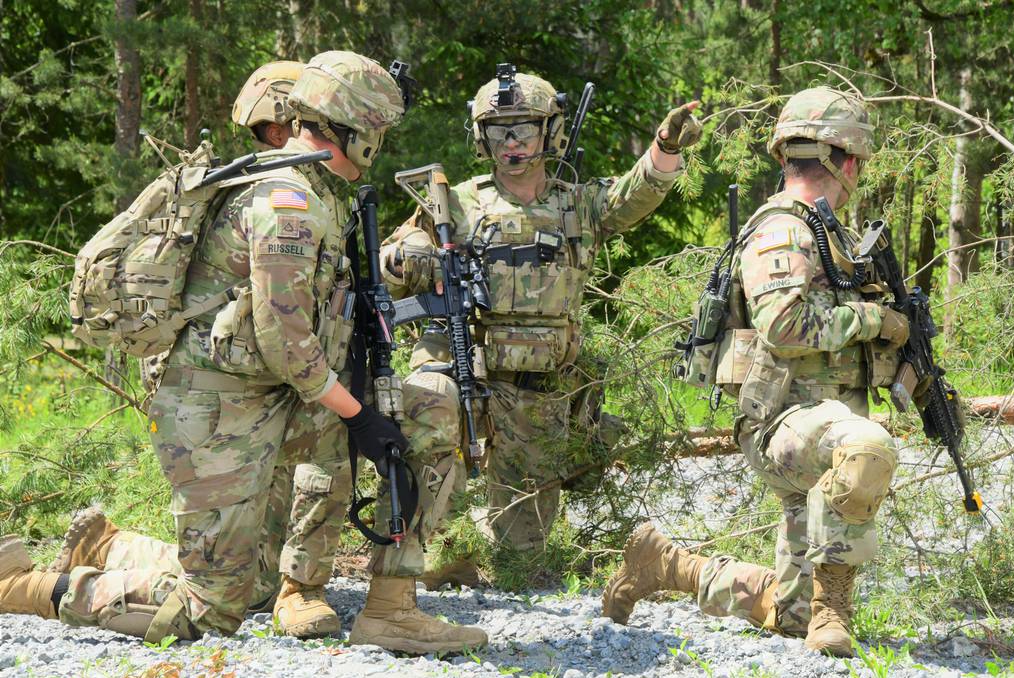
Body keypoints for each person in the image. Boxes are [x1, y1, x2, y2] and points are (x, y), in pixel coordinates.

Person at [0, 51, 420, 645]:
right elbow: (286, 340)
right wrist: (361, 417)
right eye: (376, 132)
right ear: (355, 133)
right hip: (216, 412)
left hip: (264, 399)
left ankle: (122, 547)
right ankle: (33, 588)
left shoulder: (316, 191)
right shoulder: (288, 203)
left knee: (256, 584)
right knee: (209, 613)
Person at [601, 86, 911, 658]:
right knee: (871, 445)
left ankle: (664, 563)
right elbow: (785, 326)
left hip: (823, 436)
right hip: (785, 425)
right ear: (845, 159)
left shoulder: (830, 229)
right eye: (860, 161)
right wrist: (875, 320)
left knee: (786, 615)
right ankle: (832, 611)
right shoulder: (784, 228)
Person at [376, 65, 699, 586]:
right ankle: (394, 579)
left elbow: (635, 196)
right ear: (480, 137)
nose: (512, 143)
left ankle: (471, 562)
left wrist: (665, 146)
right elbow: (398, 256)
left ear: (549, 132)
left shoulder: (578, 203)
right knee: (428, 438)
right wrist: (412, 260)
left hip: (540, 393)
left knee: (526, 567)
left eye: (524, 128)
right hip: (468, 376)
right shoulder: (455, 203)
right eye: (498, 131)